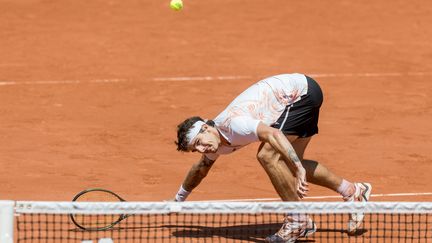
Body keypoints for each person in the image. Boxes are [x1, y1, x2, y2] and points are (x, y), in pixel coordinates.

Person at [173, 73, 372, 242]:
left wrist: (298, 169)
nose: (201, 149)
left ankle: (297, 220)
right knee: (287, 162)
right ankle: (353, 191)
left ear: (206, 127)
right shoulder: (213, 144)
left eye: (199, 141)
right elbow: (200, 170)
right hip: (299, 94)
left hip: (300, 94)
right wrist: (177, 200)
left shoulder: (234, 124)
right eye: (195, 148)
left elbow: (274, 134)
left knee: (267, 155)